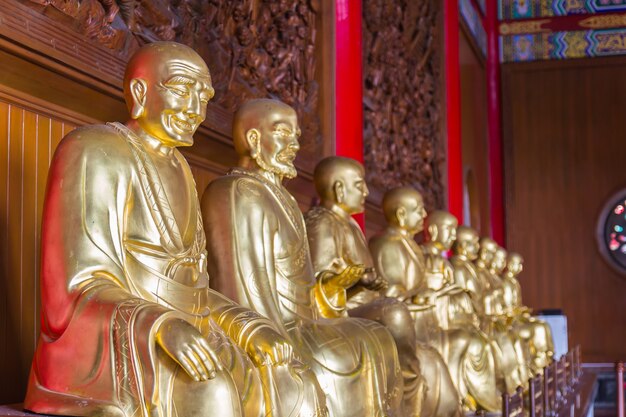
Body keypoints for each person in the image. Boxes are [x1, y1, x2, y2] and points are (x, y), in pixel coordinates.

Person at [24, 42, 326, 417]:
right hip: (118, 343)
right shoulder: (94, 149)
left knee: (291, 381)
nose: (195, 109)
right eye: (182, 90)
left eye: (203, 96)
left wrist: (249, 327)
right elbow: (76, 291)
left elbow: (192, 291)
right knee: (210, 391)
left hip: (185, 328)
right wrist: (161, 325)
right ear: (139, 92)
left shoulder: (181, 169)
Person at [202, 98, 404, 417]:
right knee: (345, 353)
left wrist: (336, 287)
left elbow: (305, 289)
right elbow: (243, 288)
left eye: (297, 135)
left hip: (303, 321)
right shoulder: (237, 192)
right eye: (284, 133)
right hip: (271, 326)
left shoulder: (284, 198)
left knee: (377, 337)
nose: (295, 144)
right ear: (254, 139)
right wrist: (271, 334)